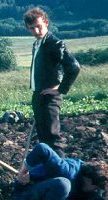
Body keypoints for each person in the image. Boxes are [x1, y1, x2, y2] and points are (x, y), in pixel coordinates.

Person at [24, 7, 81, 157]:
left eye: (38, 26)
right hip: (39, 96)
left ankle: (61, 172)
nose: (36, 31)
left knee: (52, 138)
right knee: (43, 138)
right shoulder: (37, 44)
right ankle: (49, 172)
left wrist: (60, 89)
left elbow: (74, 67)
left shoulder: (55, 44)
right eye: (32, 28)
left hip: (50, 97)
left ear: (46, 23)